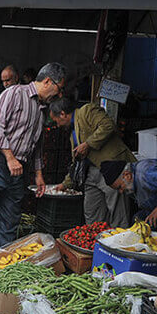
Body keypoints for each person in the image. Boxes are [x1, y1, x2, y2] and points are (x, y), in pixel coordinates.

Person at [0, 63, 67, 289]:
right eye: (58, 89)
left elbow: (37, 145)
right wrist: (9, 157)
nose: (59, 94)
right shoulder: (13, 94)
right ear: (48, 81)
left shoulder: (41, 108)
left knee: (8, 225)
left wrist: (38, 173)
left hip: (19, 170)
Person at [50, 97, 135, 228]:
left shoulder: (87, 111)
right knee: (92, 214)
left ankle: (119, 241)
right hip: (90, 173)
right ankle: (95, 241)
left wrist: (88, 144)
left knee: (118, 213)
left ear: (62, 113)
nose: (57, 125)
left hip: (112, 168)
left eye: (56, 121)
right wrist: (65, 184)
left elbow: (108, 125)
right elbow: (76, 162)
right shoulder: (72, 131)